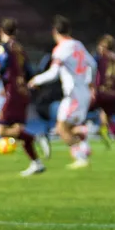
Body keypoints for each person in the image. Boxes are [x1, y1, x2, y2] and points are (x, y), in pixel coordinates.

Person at [28, 15, 96, 169]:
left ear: (54, 31)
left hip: (73, 94)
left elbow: (53, 73)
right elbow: (92, 63)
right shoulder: (78, 45)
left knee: (61, 128)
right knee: (69, 126)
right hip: (83, 91)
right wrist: (90, 83)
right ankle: (86, 134)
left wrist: (35, 80)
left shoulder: (60, 49)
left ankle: (81, 155)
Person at [0, 20, 47, 175]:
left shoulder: (3, 48)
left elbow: (3, 65)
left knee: (1, 130)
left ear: (0, 31)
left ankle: (37, 138)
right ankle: (36, 163)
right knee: (17, 130)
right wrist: (31, 83)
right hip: (23, 92)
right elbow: (28, 70)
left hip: (13, 92)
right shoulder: (20, 48)